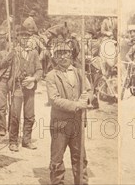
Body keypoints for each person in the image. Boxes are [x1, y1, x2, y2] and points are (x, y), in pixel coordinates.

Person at [45, 42, 92, 185]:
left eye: (65, 53)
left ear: (70, 54)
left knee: (80, 157)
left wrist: (87, 97)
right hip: (60, 123)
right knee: (57, 159)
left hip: (77, 123)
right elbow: (54, 100)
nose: (63, 56)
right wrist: (77, 104)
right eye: (59, 54)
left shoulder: (79, 72)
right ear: (55, 57)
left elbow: (89, 90)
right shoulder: (51, 76)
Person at [7, 27, 43, 151]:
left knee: (30, 115)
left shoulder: (34, 53)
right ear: (17, 38)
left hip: (29, 88)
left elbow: (39, 70)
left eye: (27, 37)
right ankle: (13, 141)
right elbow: (3, 65)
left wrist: (33, 79)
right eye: (22, 37)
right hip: (17, 87)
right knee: (15, 115)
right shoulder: (13, 52)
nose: (25, 39)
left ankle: (26, 140)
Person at [0, 29, 14, 138]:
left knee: (13, 105)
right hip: (2, 80)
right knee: (2, 106)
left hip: (13, 80)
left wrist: (13, 53)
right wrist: (6, 60)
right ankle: (2, 127)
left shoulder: (13, 48)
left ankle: (11, 125)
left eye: (3, 37)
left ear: (6, 37)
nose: (1, 40)